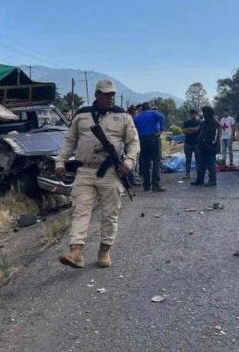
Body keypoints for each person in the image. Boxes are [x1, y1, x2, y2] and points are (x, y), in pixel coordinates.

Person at [55, 80, 140, 269]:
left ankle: (104, 250)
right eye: (106, 94)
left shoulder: (123, 116)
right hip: (85, 170)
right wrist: (60, 161)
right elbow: (69, 140)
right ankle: (76, 252)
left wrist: (129, 161)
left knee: (110, 214)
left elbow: (134, 142)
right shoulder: (82, 115)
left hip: (110, 172)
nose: (110, 97)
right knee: (80, 211)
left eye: (112, 94)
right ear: (97, 95)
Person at [134, 102, 166, 192]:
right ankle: (155, 185)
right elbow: (162, 117)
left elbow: (134, 127)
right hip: (153, 138)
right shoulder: (153, 113)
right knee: (156, 160)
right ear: (149, 108)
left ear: (142, 109)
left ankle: (146, 186)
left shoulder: (138, 117)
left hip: (142, 140)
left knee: (145, 163)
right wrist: (161, 129)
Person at [191, 106, 220, 187]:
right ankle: (200, 180)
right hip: (202, 147)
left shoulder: (215, 123)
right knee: (201, 165)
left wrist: (212, 146)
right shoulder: (203, 123)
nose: (203, 114)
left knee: (211, 166)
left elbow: (216, 136)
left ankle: (212, 180)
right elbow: (200, 132)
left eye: (204, 113)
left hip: (211, 148)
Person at [182, 109, 202, 178]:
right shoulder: (186, 122)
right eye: (191, 114)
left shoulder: (199, 121)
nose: (193, 115)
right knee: (188, 159)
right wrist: (194, 130)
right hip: (188, 143)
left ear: (196, 114)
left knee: (198, 159)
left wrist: (189, 129)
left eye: (194, 113)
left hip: (197, 143)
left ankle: (198, 174)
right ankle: (187, 174)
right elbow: (184, 130)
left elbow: (197, 129)